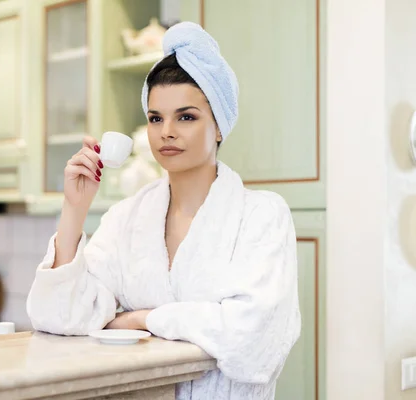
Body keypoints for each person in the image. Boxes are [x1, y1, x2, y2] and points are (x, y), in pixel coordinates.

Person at [26, 21, 301, 400]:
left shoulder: (263, 217)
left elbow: (253, 341)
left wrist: (142, 318)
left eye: (186, 117)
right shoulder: (127, 218)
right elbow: (62, 317)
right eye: (156, 118)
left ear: (219, 125)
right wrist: (74, 209)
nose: (166, 131)